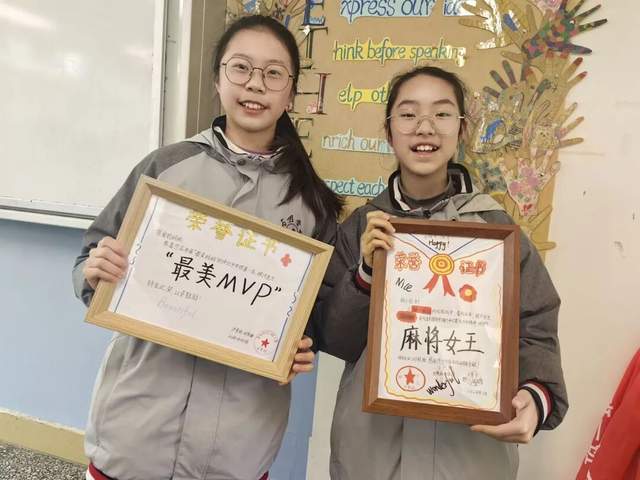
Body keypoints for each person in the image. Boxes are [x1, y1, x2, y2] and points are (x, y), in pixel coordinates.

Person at [72, 14, 342, 480]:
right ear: (217, 80)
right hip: (136, 431)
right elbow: (89, 259)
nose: (255, 84)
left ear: (291, 94)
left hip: (237, 447)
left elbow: (314, 314)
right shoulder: (166, 167)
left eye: (273, 73)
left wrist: (303, 346)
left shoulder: (312, 203)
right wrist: (95, 272)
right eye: (241, 68)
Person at [319, 65, 568, 480]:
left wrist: (535, 395)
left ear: (462, 129)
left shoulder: (495, 231)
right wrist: (365, 274)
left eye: (441, 113)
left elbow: (535, 323)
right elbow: (335, 339)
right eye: (408, 114)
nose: (425, 127)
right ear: (389, 131)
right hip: (372, 455)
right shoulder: (364, 226)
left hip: (470, 457)